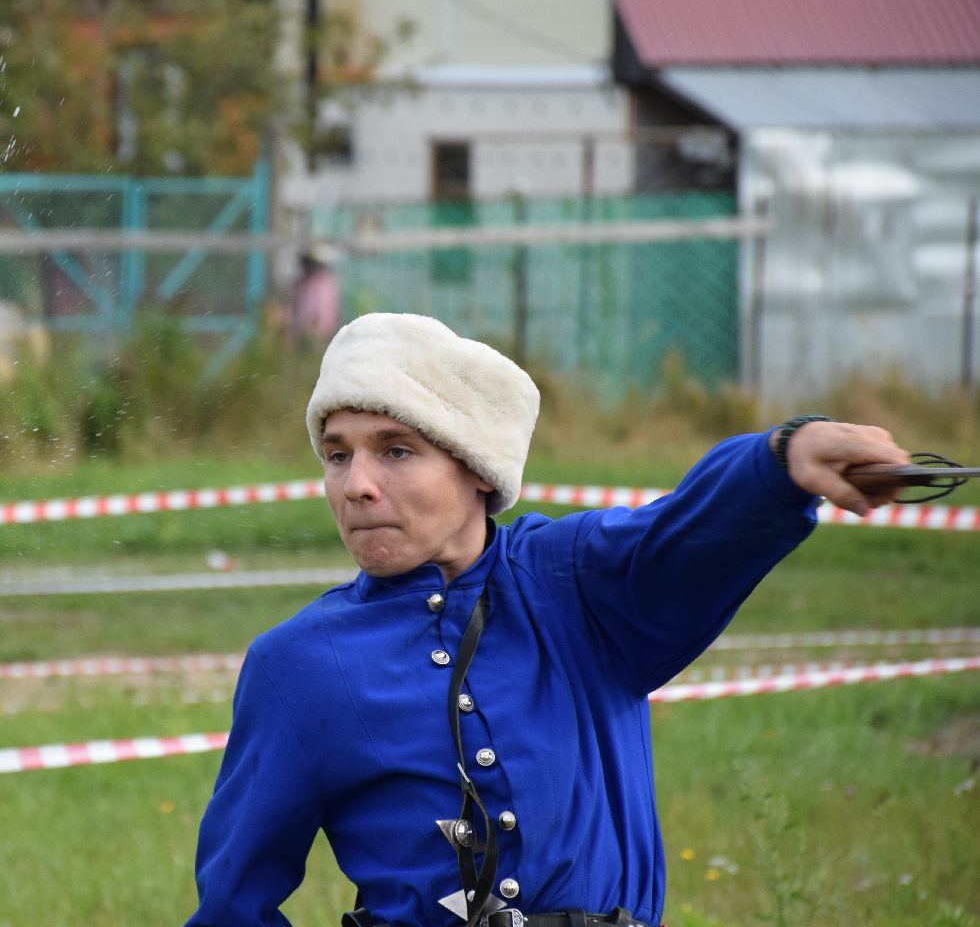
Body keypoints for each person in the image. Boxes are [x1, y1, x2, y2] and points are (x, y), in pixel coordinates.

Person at [186, 313, 911, 927]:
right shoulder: (299, 664)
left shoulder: (574, 585)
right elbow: (232, 901)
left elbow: (682, 537)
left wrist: (779, 463)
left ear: (475, 467)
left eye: (396, 451)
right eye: (337, 455)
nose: (358, 485)